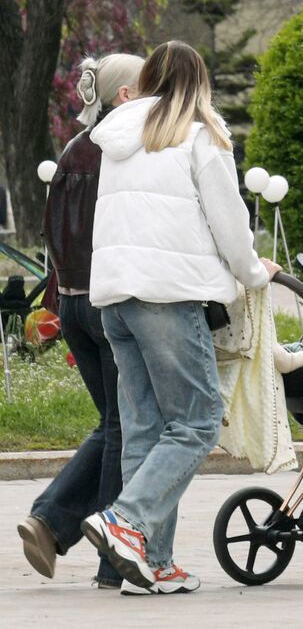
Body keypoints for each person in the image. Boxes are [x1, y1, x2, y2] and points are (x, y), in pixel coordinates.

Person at [81, 41, 279, 593]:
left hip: (115, 298)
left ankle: (150, 565)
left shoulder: (118, 137)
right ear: (199, 84)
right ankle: (127, 522)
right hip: (167, 298)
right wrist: (254, 273)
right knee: (195, 422)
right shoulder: (199, 136)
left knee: (146, 430)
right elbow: (229, 223)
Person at [17, 55, 144, 589]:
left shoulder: (74, 150)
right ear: (122, 97)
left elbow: (52, 233)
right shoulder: (120, 154)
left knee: (113, 422)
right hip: (106, 302)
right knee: (126, 427)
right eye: (145, 88)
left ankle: (54, 522)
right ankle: (105, 550)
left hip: (71, 302)